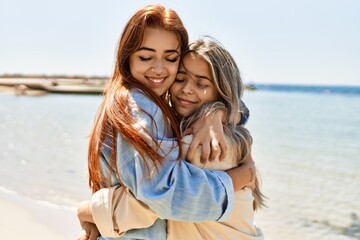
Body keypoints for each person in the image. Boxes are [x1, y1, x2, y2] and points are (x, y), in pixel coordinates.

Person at [78, 4, 256, 240]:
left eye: (171, 58)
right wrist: (238, 178)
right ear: (126, 57)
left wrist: (215, 113)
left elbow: (236, 106)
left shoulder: (162, 108)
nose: (159, 69)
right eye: (145, 56)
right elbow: (164, 195)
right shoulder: (138, 105)